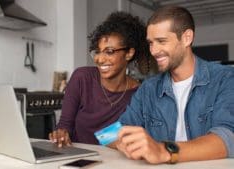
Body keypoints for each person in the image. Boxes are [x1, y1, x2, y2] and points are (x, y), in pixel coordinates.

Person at [113, 6, 234, 164]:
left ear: (186, 38)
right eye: (150, 43)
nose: (154, 51)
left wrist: (163, 150)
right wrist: (121, 140)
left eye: (161, 41)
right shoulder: (148, 89)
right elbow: (109, 134)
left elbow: (227, 139)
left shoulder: (225, 78)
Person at [49, 11, 154, 147]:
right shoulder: (82, 78)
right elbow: (64, 124)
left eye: (109, 52)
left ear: (129, 53)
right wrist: (61, 133)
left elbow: (126, 136)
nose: (100, 59)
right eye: (97, 51)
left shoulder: (139, 94)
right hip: (76, 159)